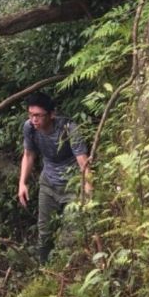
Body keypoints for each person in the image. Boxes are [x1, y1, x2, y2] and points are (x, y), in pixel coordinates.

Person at [17, 91, 91, 262]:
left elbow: (83, 161)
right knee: (44, 232)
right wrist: (22, 183)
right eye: (31, 115)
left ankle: (68, 272)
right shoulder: (29, 128)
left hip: (72, 185)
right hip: (48, 183)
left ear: (51, 114)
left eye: (38, 115)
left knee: (71, 235)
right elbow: (28, 155)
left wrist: (88, 190)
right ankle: (44, 270)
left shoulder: (68, 128)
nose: (34, 119)